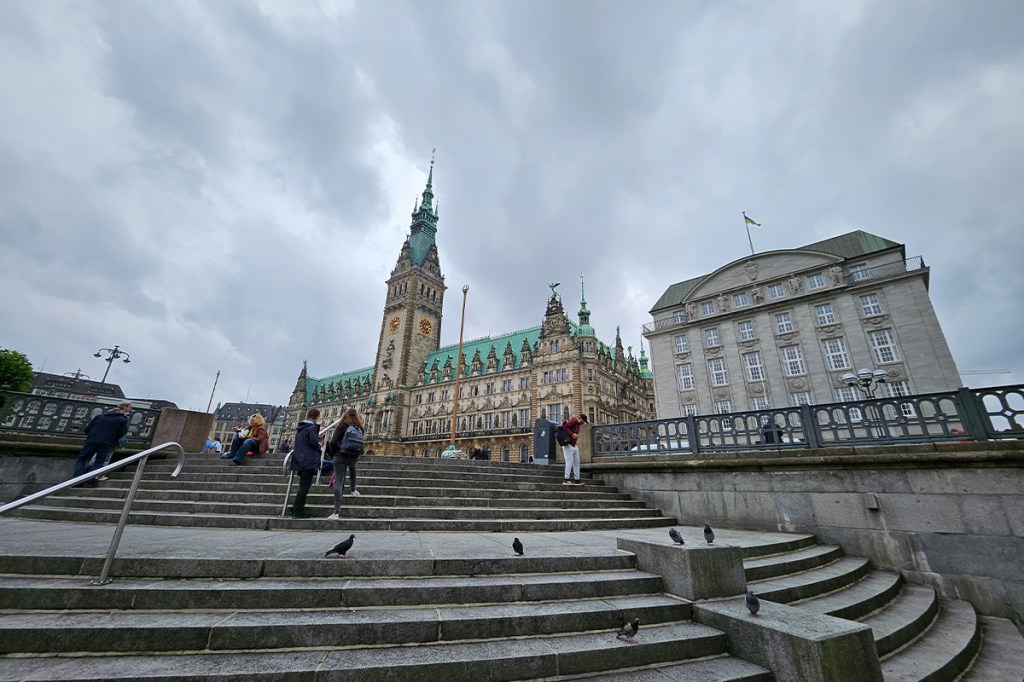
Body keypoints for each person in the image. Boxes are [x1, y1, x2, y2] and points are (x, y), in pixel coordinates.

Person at [72, 402, 131, 488]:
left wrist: (92, 436)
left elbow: (87, 429)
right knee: (99, 461)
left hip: (91, 440)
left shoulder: (99, 417)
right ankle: (89, 481)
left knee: (82, 459)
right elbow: (122, 432)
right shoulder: (122, 419)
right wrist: (112, 438)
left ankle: (77, 480)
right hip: (107, 442)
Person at [326, 408, 364, 520]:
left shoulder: (342, 426)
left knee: (339, 480)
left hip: (340, 455)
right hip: (353, 456)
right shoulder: (360, 428)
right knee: (353, 469)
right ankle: (353, 490)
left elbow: (333, 442)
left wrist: (333, 454)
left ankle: (336, 512)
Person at [288, 408, 323, 519]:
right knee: (304, 487)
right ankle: (298, 511)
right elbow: (313, 443)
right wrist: (319, 446)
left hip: (299, 459)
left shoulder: (301, 427)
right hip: (308, 460)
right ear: (316, 417)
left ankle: (296, 507)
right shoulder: (312, 427)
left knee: (302, 486)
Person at [558, 413, 588, 486]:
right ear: (580, 419)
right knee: (569, 461)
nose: (583, 423)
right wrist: (572, 434)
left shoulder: (577, 424)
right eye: (583, 421)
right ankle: (566, 479)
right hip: (568, 444)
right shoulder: (573, 421)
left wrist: (575, 436)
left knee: (576, 462)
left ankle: (577, 479)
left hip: (573, 444)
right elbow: (565, 427)